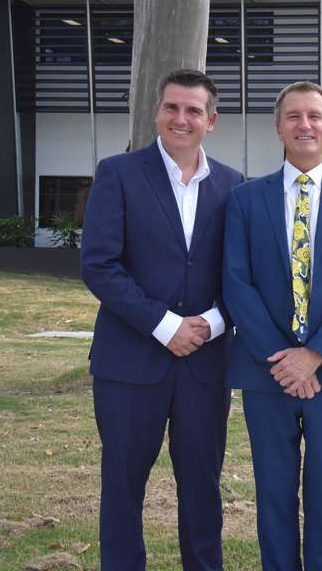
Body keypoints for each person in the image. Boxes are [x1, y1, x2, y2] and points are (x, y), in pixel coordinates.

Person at [81, 68, 244, 571]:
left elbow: (244, 273)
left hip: (205, 365)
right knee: (124, 487)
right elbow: (99, 265)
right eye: (172, 107)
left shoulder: (235, 186)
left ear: (210, 120)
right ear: (157, 112)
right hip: (129, 363)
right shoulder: (118, 173)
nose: (181, 118)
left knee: (202, 486)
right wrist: (165, 325)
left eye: (193, 110)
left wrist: (213, 324)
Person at [222, 81, 322, 570]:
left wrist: (314, 355)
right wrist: (283, 360)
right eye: (294, 116)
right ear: (278, 128)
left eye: (314, 116)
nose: (304, 124)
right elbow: (236, 283)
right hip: (265, 373)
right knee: (273, 494)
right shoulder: (246, 198)